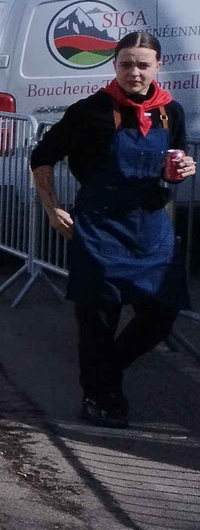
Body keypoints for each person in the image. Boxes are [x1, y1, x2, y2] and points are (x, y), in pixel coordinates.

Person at [30, 30, 193, 428]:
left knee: (162, 313)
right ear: (114, 64)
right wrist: (52, 209)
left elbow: (174, 165)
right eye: (125, 64)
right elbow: (43, 156)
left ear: (158, 66)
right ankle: (99, 395)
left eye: (142, 64)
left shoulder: (172, 112)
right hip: (100, 227)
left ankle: (108, 373)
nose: (133, 72)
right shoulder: (90, 110)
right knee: (98, 321)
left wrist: (181, 172)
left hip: (151, 227)